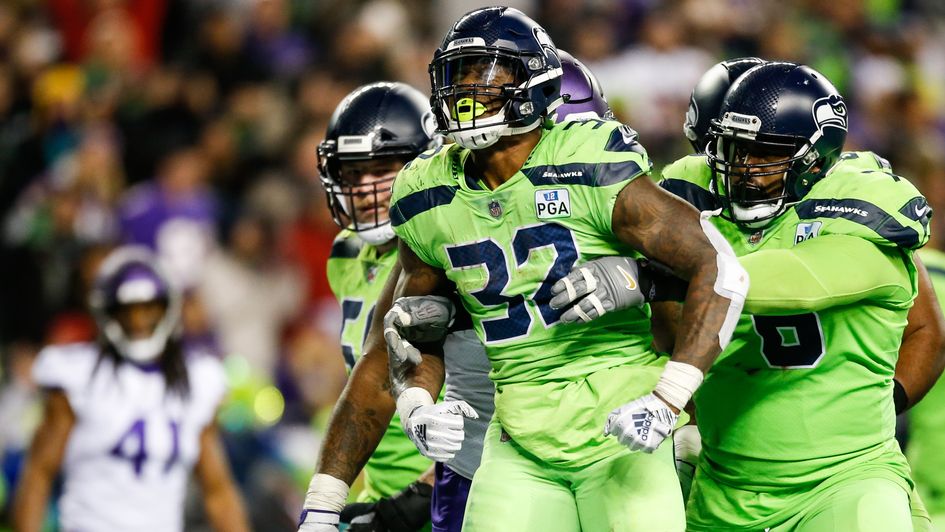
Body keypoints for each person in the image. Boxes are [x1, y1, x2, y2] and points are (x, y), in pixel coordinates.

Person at [375, 7, 748, 531]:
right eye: (459, 76)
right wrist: (416, 403)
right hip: (518, 439)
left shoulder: (585, 158)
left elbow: (720, 268)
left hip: (621, 431)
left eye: (488, 75)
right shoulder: (424, 193)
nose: (468, 92)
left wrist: (669, 399)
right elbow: (422, 323)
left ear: (534, 85)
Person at [555, 61, 938, 531]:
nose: (745, 169)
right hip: (724, 485)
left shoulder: (861, 202)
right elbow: (661, 329)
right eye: (736, 150)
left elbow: (800, 282)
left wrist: (652, 278)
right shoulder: (694, 190)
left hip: (842, 479)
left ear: (814, 157)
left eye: (767, 154)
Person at [12, 246, 249, 532]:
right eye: (128, 311)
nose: (139, 321)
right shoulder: (80, 374)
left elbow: (218, 491)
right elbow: (38, 474)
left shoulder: (196, 381)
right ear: (107, 312)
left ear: (169, 308)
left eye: (149, 308)